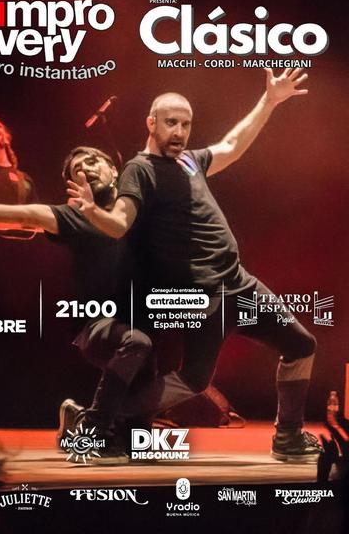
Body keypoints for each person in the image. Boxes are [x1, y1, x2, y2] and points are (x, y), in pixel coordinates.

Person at [66, 68, 322, 461]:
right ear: (151, 123)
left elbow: (232, 144)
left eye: (186, 124)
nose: (180, 132)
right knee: (194, 380)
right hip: (205, 296)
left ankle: (288, 436)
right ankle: (98, 419)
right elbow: (119, 222)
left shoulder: (189, 161)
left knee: (301, 345)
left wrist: (269, 100)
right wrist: (91, 212)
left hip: (240, 284)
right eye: (171, 123)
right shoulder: (140, 169)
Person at [0, 146, 154, 463]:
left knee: (138, 439)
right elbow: (24, 215)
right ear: (73, 185)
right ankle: (91, 431)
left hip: (138, 326)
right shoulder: (71, 217)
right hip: (95, 325)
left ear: (115, 170)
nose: (87, 168)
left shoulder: (136, 211)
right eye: (78, 168)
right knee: (137, 342)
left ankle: (81, 418)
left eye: (94, 160)